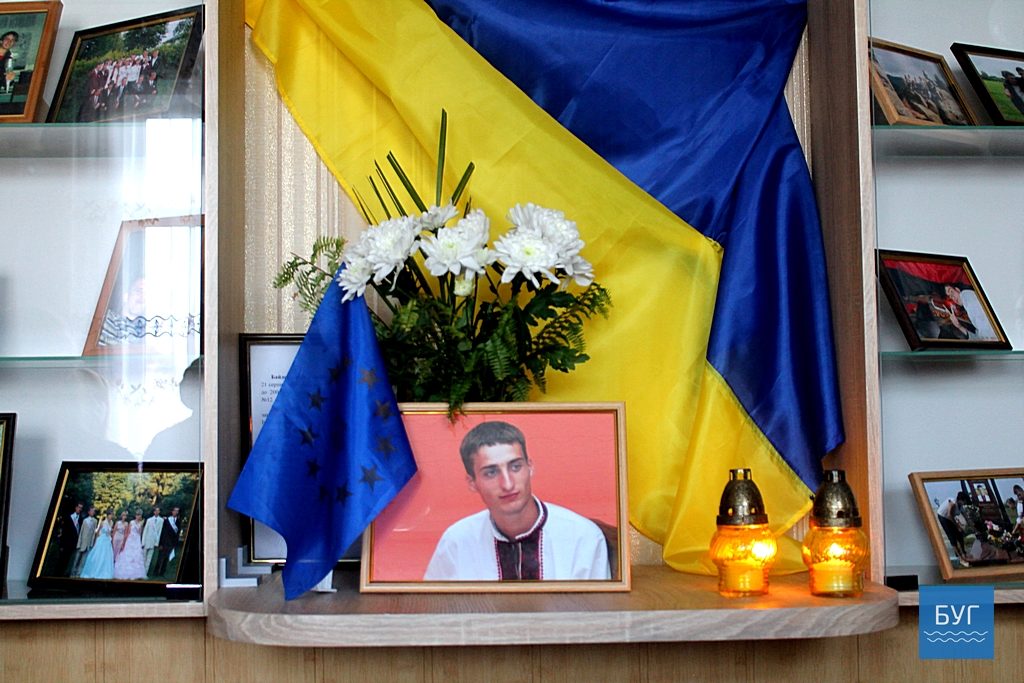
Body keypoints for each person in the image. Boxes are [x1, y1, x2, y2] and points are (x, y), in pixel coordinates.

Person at [423, 421, 611, 581]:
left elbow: (599, 613)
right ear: (472, 482)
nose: (507, 484)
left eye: (515, 467)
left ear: (530, 467)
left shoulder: (583, 537)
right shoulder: (456, 541)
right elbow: (432, 610)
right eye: (491, 472)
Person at [80, 511, 116, 579]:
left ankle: (105, 571)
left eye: (112, 515)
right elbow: (97, 532)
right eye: (110, 515)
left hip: (107, 541)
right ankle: (95, 571)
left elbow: (109, 532)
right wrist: (95, 542)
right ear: (107, 515)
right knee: (98, 556)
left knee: (107, 557)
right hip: (101, 540)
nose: (111, 516)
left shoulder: (112, 523)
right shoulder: (103, 522)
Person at [113, 509, 148, 580]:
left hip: (136, 540)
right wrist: (124, 542)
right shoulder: (131, 522)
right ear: (136, 516)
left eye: (140, 515)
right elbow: (127, 533)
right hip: (130, 540)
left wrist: (140, 525)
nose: (138, 517)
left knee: (136, 556)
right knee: (127, 555)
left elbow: (140, 533)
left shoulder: (140, 524)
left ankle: (136, 573)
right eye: (137, 515)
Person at [936, 493, 969, 564]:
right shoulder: (953, 503)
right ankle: (960, 557)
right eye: (964, 501)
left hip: (950, 517)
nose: (965, 503)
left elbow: (965, 515)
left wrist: (969, 523)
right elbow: (949, 515)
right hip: (943, 517)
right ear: (961, 500)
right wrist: (958, 526)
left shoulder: (960, 506)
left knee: (960, 534)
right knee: (952, 537)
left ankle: (963, 552)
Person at [153, 506, 182, 577]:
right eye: (175, 510)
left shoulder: (178, 521)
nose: (176, 512)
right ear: (172, 511)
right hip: (164, 542)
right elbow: (162, 532)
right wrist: (160, 543)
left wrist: (175, 544)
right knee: (160, 558)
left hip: (171, 543)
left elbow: (177, 533)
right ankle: (155, 572)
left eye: (177, 511)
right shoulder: (167, 520)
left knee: (166, 559)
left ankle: (162, 573)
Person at [71, 506, 98, 577]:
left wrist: (91, 543)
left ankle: (78, 574)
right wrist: (79, 543)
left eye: (94, 511)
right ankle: (72, 573)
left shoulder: (95, 521)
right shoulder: (85, 520)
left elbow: (93, 533)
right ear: (89, 512)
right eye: (91, 511)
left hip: (88, 544)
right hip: (82, 543)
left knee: (83, 561)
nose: (93, 512)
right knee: (76, 559)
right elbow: (81, 532)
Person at [57, 502, 83, 575]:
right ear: (76, 507)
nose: (80, 509)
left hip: (73, 544)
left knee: (67, 562)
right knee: (60, 561)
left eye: (81, 508)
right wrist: (61, 544)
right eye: (79, 507)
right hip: (65, 543)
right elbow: (63, 532)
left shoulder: (80, 519)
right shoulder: (69, 517)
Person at [142, 506, 164, 574]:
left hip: (153, 541)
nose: (157, 512)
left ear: (159, 512)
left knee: (149, 558)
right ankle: (141, 571)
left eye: (158, 510)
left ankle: (145, 572)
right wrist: (143, 542)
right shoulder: (149, 520)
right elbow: (145, 531)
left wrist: (156, 543)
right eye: (155, 511)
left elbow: (159, 532)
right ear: (154, 512)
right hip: (147, 540)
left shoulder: (161, 520)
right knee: (144, 557)